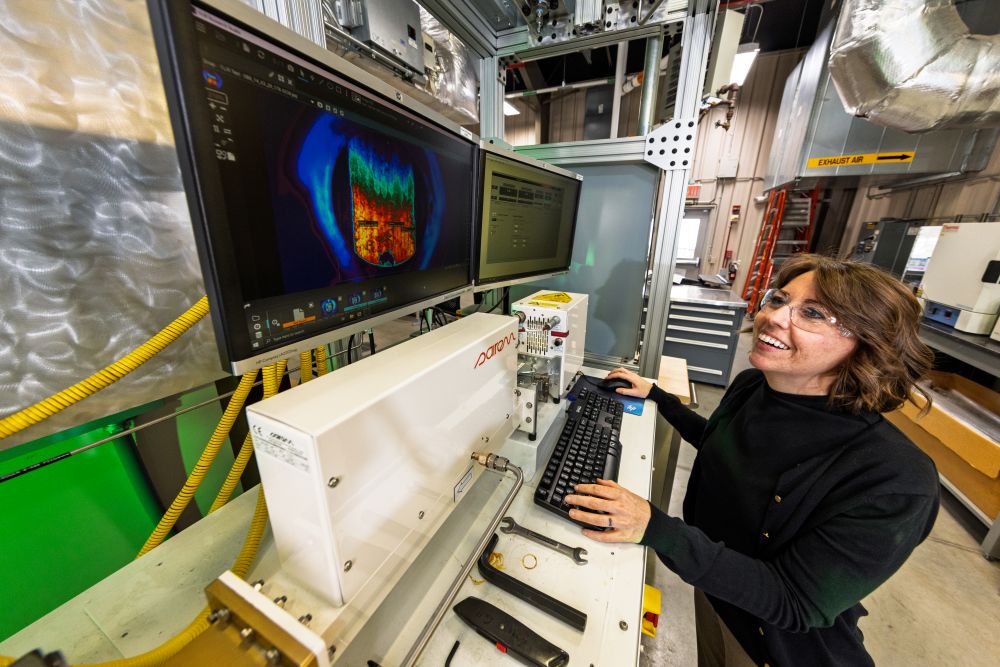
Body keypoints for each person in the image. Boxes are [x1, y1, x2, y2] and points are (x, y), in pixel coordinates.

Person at [565, 254, 939, 667]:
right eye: (778, 300)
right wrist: (657, 397)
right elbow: (721, 444)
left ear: (868, 344)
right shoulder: (753, 387)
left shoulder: (895, 479)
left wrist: (656, 528)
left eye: (812, 313)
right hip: (717, 587)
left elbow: (794, 601)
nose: (775, 317)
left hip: (774, 645)